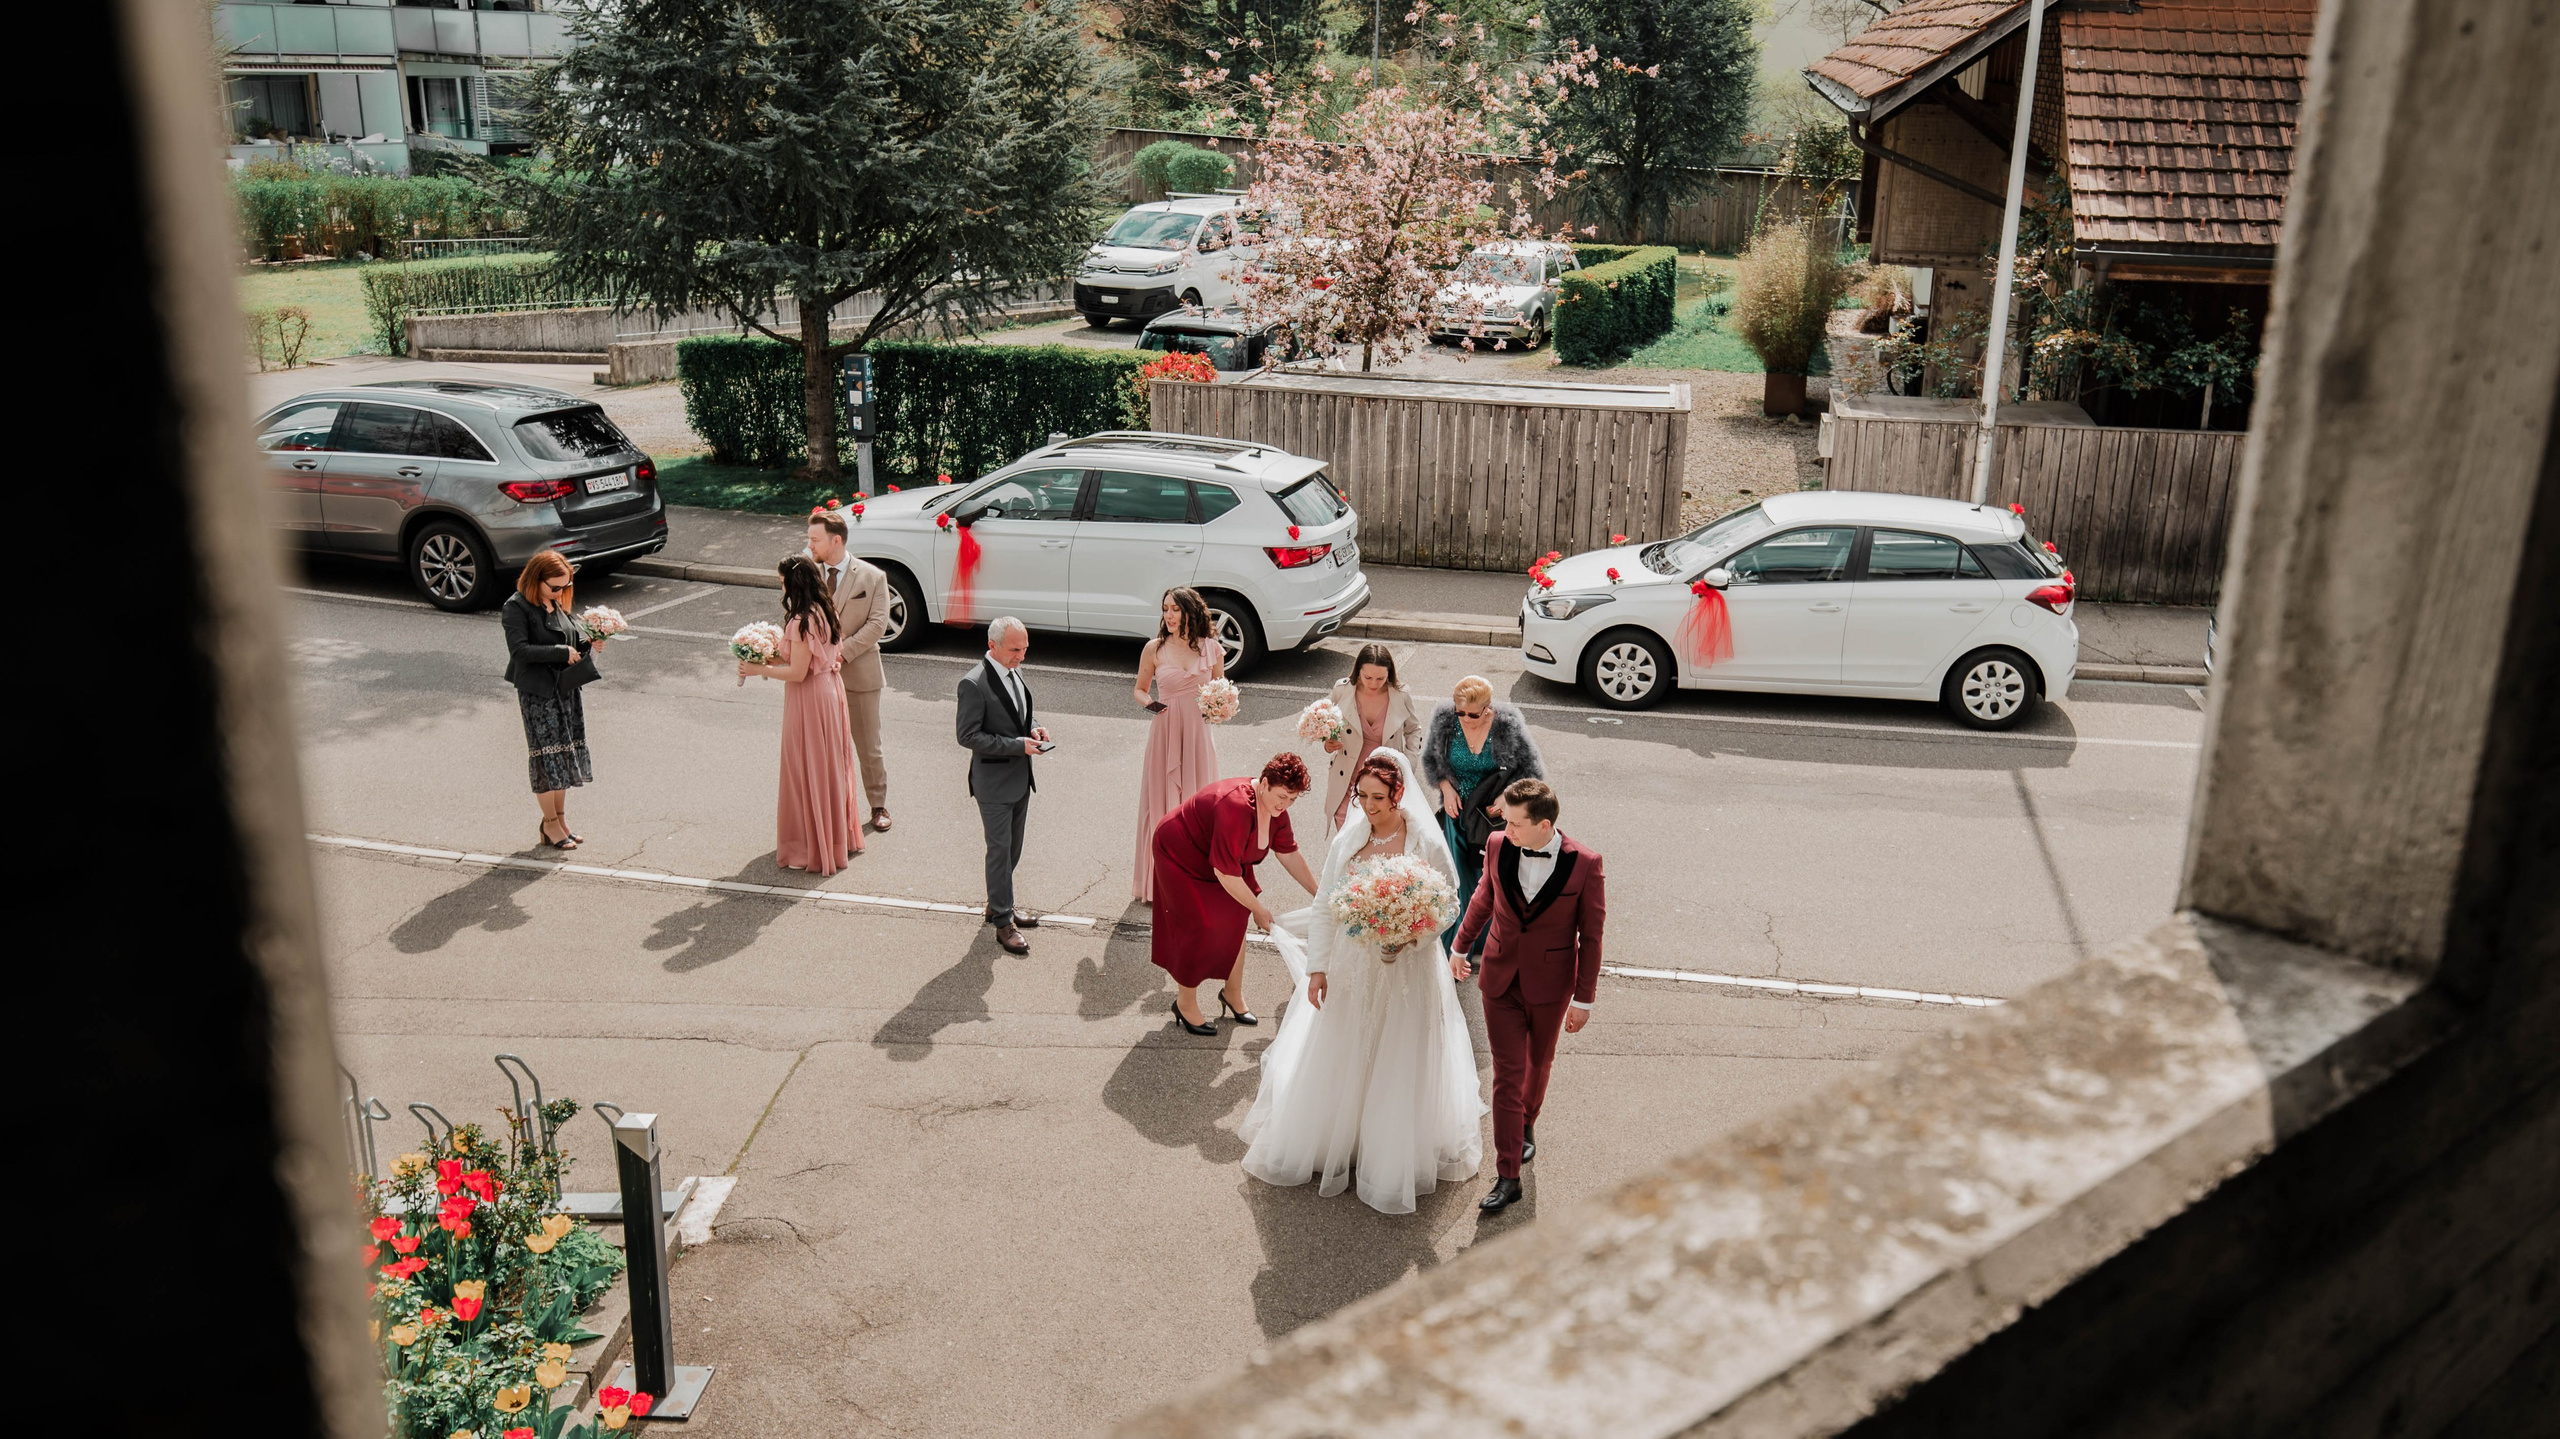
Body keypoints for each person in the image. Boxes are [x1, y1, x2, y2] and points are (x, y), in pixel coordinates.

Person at [1240, 750, 1486, 1215]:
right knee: (1346, 1046)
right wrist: (1317, 968)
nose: (1368, 806)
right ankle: (1339, 1138)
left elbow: (1450, 901)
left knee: (1398, 1051)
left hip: (1410, 970)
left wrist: (1413, 936)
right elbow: (1325, 905)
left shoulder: (1424, 841)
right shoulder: (1349, 840)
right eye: (1362, 796)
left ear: (1399, 794)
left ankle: (1389, 1148)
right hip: (1353, 966)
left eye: (1378, 797)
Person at [1452, 779, 1603, 1215]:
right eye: (1506, 820)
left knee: (1539, 1063)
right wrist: (1459, 947)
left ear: (1544, 825)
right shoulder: (1500, 845)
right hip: (1499, 977)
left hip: (1552, 984)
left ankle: (1528, 1122)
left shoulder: (1586, 864)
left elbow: (1591, 938)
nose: (1506, 829)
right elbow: (1483, 897)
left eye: (1516, 823)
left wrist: (1584, 999)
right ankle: (1507, 1175)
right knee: (1506, 1074)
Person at [1148, 753, 1320, 1035]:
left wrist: (1318, 893)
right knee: (1198, 926)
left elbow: (1289, 854)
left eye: (1292, 800)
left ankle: (1233, 993)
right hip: (1180, 854)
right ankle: (1186, 1002)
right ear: (1263, 783)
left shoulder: (1276, 811)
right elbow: (1226, 874)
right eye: (1281, 796)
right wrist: (1259, 909)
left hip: (1223, 858)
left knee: (1236, 918)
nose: (1284, 805)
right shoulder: (1235, 806)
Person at [739, 556, 864, 876]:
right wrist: (763, 653)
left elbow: (797, 672)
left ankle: (810, 845)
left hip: (810, 698)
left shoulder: (801, 621)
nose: (781, 587)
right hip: (830, 691)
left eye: (782, 582)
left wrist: (757, 669)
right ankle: (834, 838)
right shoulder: (825, 612)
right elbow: (810, 658)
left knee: (805, 768)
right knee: (828, 766)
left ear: (793, 584)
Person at [1419, 675, 1546, 964]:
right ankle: (1455, 947)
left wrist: (1508, 797)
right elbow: (1430, 761)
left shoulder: (1507, 725)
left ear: (1488, 709)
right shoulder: (1445, 721)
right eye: (1460, 712)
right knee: (1456, 881)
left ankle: (1487, 944)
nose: (1465, 719)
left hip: (1493, 819)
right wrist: (1445, 787)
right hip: (1456, 814)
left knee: (1489, 881)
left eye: (1473, 714)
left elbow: (1533, 770)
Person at [956, 616, 1049, 955]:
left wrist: (1035, 728)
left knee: (1012, 851)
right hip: (993, 783)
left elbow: (1022, 713)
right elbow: (967, 736)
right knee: (999, 853)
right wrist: (1017, 745)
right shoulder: (973, 683)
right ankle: (1003, 923)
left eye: (1024, 649)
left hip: (1020, 779)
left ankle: (999, 905)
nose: (1021, 656)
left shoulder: (1014, 670)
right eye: (1015, 649)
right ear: (992, 645)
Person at [1131, 587, 1225, 902]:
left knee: (1197, 806)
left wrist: (1220, 707)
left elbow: (1219, 691)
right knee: (1161, 806)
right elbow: (1141, 690)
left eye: (1175, 609)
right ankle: (1158, 881)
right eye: (1165, 609)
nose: (1169, 616)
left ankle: (1194, 881)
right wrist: (1154, 707)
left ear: (1190, 612)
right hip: (1165, 732)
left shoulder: (1212, 649)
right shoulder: (1154, 649)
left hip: (1198, 735)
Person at [501, 550, 599, 851]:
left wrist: (591, 640)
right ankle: (549, 824)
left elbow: (570, 640)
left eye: (565, 587)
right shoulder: (516, 607)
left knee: (563, 756)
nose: (560, 592)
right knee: (547, 758)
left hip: (565, 689)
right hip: (539, 693)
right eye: (555, 586)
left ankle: (559, 821)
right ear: (536, 579)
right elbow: (520, 651)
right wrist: (560, 652)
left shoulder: (555, 602)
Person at [806, 507, 892, 832]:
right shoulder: (808, 574)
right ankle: (832, 810)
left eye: (815, 539)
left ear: (836, 540)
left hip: (860, 675)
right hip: (817, 677)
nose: (810, 545)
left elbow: (877, 623)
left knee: (868, 746)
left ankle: (878, 805)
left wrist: (841, 652)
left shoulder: (872, 576)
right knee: (824, 748)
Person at [1320, 644, 1423, 830]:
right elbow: (1329, 724)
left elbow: (1414, 729)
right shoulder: (1343, 690)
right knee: (1345, 837)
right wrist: (1328, 743)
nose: (1374, 684)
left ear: (1389, 674)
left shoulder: (1400, 695)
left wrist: (1409, 762)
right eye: (1368, 677)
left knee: (1378, 835)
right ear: (1358, 670)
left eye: (1380, 678)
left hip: (1385, 778)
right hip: (1348, 776)